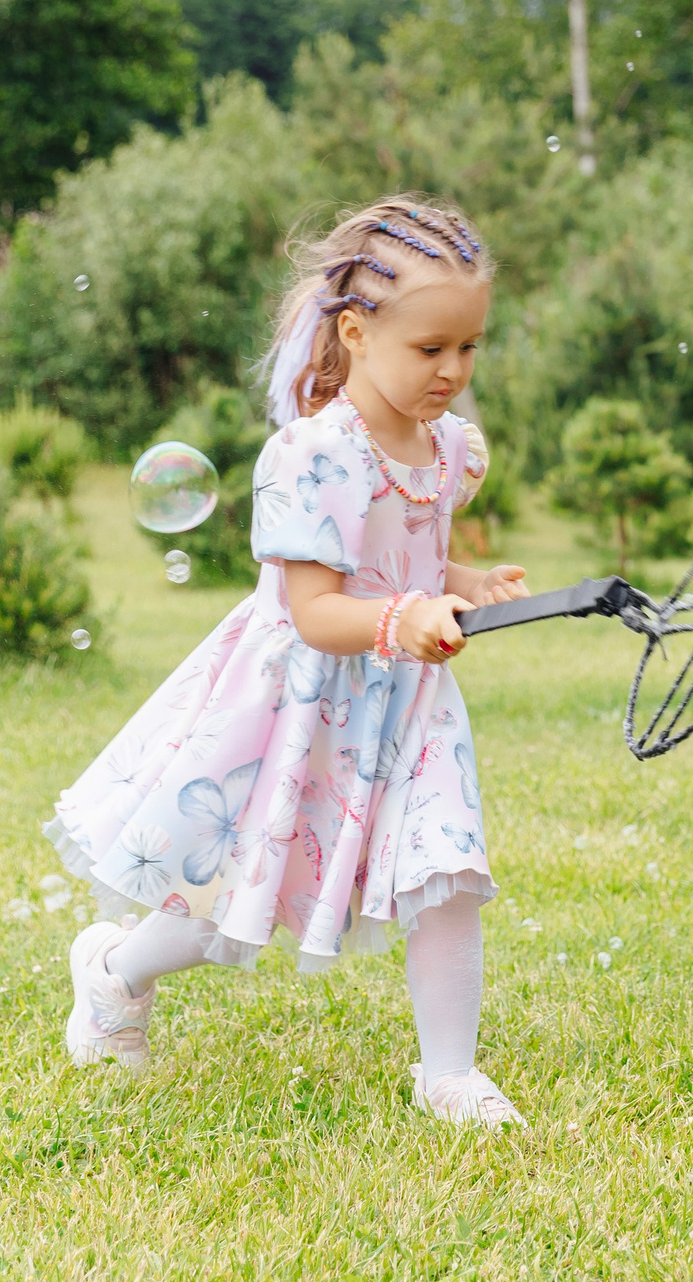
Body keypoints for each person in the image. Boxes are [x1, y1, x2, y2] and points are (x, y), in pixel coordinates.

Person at [43, 199, 533, 1127]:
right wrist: (410, 613)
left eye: (470, 348)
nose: (454, 371)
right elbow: (315, 610)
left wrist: (464, 582)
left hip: (410, 704)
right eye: (432, 348)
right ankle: (113, 971)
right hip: (297, 706)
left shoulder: (449, 448)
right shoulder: (312, 457)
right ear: (356, 330)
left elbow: (411, 562)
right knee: (227, 899)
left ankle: (449, 1074)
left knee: (445, 865)